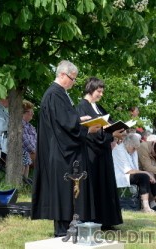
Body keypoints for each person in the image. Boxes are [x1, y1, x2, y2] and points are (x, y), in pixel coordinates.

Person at [31, 60, 101, 237]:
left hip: (61, 149)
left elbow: (66, 119)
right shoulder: (55, 94)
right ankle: (64, 230)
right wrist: (86, 129)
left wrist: (79, 119)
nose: (73, 82)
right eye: (72, 78)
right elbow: (64, 124)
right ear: (62, 75)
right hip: (62, 152)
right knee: (65, 190)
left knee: (69, 189)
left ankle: (71, 225)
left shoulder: (59, 93)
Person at [76, 77, 124, 230]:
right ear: (91, 89)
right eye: (99, 91)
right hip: (92, 153)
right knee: (96, 186)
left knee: (107, 185)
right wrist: (111, 135)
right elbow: (89, 132)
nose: (101, 94)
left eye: (102, 92)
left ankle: (107, 220)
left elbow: (109, 124)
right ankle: (96, 219)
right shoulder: (81, 107)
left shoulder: (100, 108)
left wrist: (119, 130)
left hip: (103, 152)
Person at [112, 133, 156, 213]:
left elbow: (135, 169)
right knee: (144, 176)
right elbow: (128, 170)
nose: (135, 150)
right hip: (121, 176)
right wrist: (147, 173)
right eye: (134, 148)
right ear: (128, 145)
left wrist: (149, 174)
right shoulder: (119, 150)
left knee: (151, 177)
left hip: (130, 174)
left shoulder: (132, 150)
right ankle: (146, 207)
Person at [22, 100, 37, 185]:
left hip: (34, 152)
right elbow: (24, 141)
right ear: (23, 112)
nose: (32, 114)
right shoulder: (19, 124)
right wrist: (35, 151)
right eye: (30, 111)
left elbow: (37, 141)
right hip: (28, 152)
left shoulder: (31, 127)